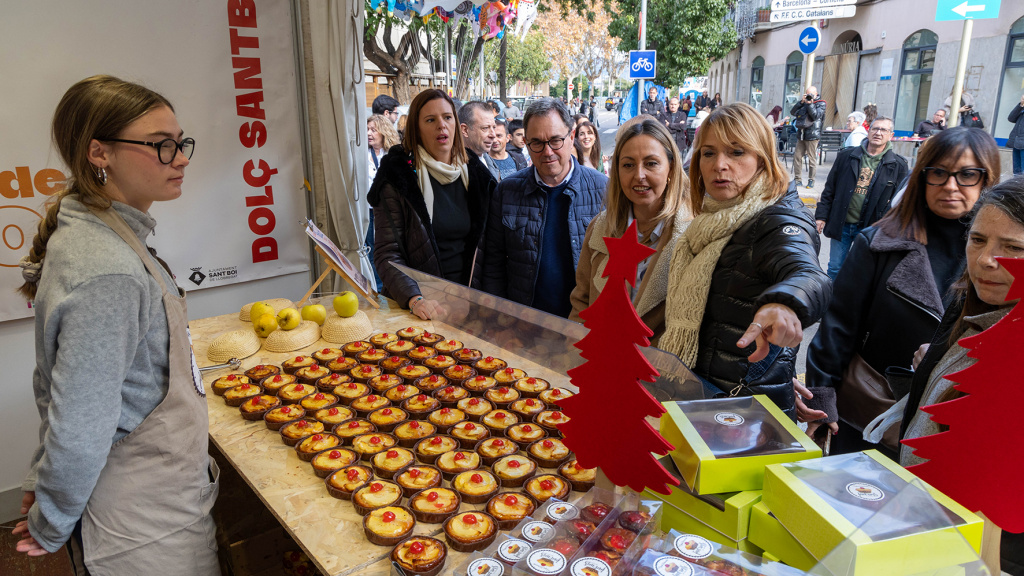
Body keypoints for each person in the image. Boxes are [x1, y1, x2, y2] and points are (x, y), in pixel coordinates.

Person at [12, 75, 219, 574]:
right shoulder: (108, 269)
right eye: (162, 146)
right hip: (144, 525)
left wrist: (42, 480)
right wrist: (52, 517)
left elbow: (60, 383)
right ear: (99, 153)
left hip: (153, 499)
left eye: (181, 142)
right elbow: (80, 421)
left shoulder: (99, 232)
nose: (182, 158)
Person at [803, 127, 1000, 458]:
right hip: (870, 415)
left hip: (956, 424)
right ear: (922, 177)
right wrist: (821, 402)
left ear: (987, 179)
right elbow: (837, 331)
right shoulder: (879, 244)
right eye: (938, 173)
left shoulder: (1002, 258)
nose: (950, 186)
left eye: (967, 174)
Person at [659, 103, 831, 418]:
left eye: (737, 152)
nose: (719, 165)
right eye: (708, 153)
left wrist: (783, 303)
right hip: (703, 396)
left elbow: (808, 272)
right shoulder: (711, 221)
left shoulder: (777, 219)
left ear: (762, 158)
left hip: (744, 413)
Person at [898, 180, 1024, 575]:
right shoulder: (967, 304)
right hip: (919, 526)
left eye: (1014, 248)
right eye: (978, 239)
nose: (987, 259)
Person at [369, 89, 496, 320]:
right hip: (420, 311)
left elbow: (491, 250)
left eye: (447, 117)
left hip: (469, 308)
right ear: (417, 129)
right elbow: (387, 253)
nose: (442, 125)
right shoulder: (397, 177)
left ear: (457, 124)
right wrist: (415, 299)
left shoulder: (478, 175)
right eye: (430, 120)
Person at [481, 98, 608, 316]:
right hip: (524, 323)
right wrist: (499, 319)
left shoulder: (603, 189)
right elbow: (493, 263)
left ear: (571, 137)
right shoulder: (507, 191)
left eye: (556, 140)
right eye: (537, 143)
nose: (547, 152)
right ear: (526, 144)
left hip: (585, 325)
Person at [570, 117, 690, 343]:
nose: (639, 175)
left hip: (657, 372)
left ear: (671, 168)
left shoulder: (691, 235)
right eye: (628, 165)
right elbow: (581, 302)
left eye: (651, 163)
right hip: (599, 366)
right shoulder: (600, 228)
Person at [815, 117, 910, 279]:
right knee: (835, 268)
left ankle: (850, 303)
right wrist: (821, 216)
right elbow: (830, 189)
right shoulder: (846, 156)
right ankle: (830, 303)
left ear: (891, 135)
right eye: (875, 129)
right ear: (868, 130)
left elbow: (898, 201)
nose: (878, 133)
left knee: (861, 272)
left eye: (883, 130)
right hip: (842, 223)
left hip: (870, 227)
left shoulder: (898, 165)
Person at [366, 114, 401, 291]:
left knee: (387, 248)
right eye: (367, 129)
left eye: (373, 129)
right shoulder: (362, 154)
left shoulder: (393, 154)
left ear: (384, 131)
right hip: (368, 211)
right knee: (370, 248)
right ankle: (377, 287)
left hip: (388, 210)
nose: (369, 133)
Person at [789, 86, 826, 188]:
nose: (809, 96)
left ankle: (811, 180)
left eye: (811, 94)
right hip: (801, 134)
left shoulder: (821, 103)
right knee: (797, 157)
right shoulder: (803, 103)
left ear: (816, 94)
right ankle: (797, 180)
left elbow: (815, 116)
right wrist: (801, 102)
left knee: (811, 159)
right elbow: (792, 112)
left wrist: (810, 104)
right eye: (807, 94)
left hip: (813, 134)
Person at [460, 100, 500, 181]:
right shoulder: (454, 170)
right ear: (465, 130)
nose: (493, 135)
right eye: (485, 128)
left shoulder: (489, 162)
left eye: (493, 127)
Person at [1007, 93, 1024, 175]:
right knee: (1016, 173)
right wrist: (1021, 104)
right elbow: (1011, 118)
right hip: (1017, 142)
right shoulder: (1022, 107)